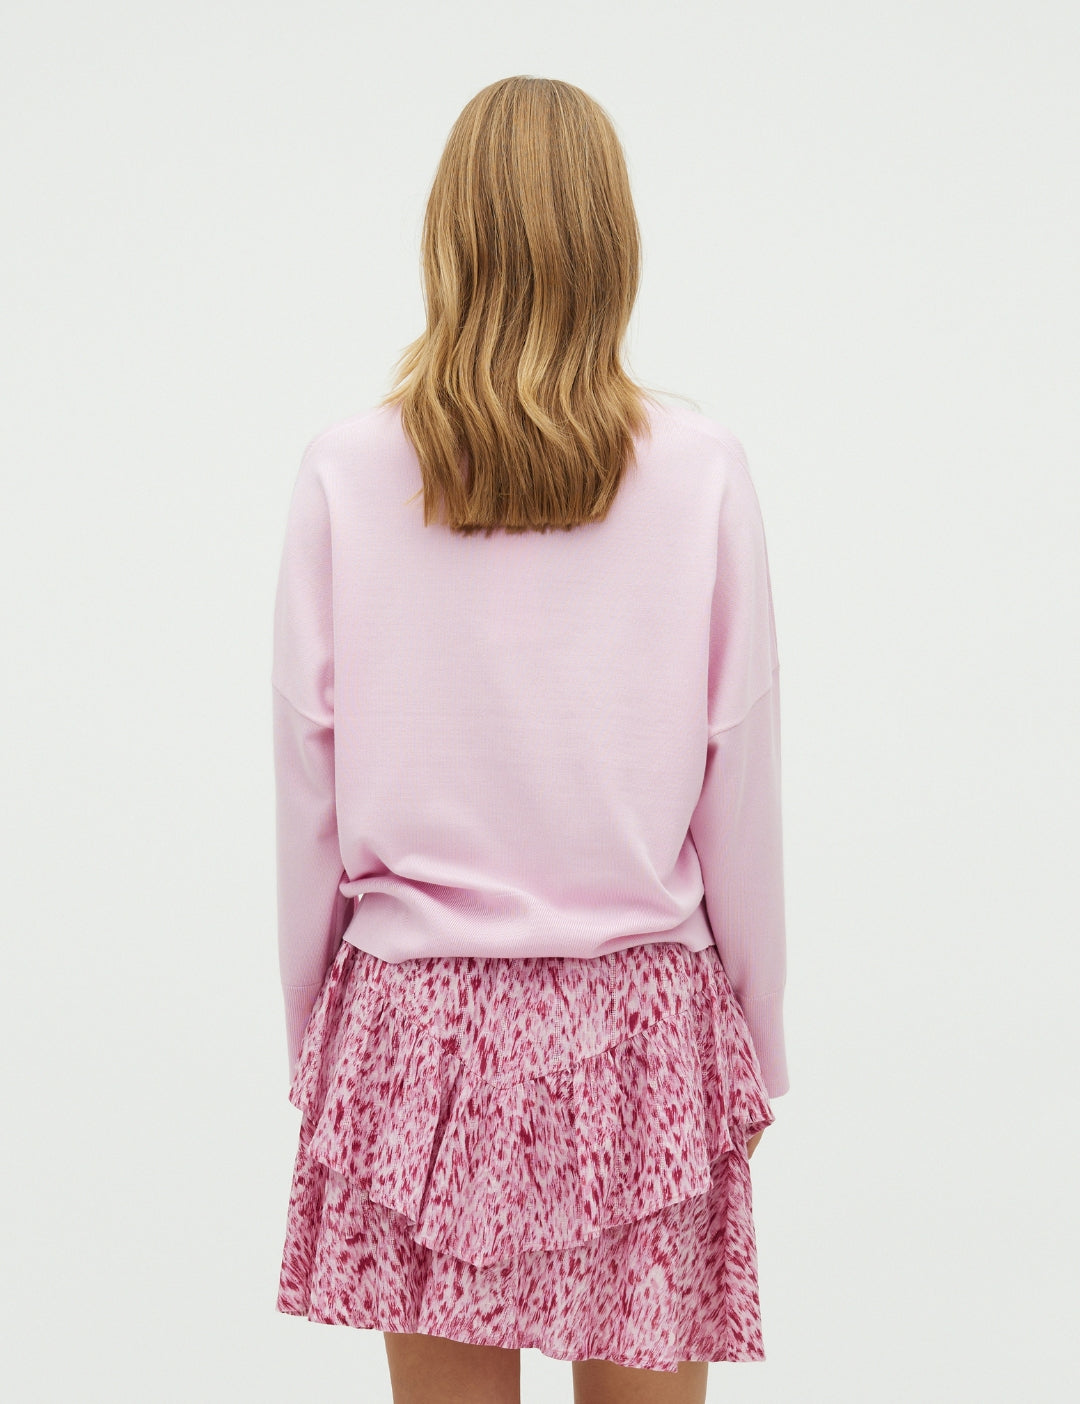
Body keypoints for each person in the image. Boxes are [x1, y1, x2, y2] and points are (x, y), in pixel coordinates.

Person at [271, 74, 789, 1404]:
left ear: (448, 239)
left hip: (412, 1020)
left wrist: (312, 1035)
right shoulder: (700, 467)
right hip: (642, 1021)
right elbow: (738, 776)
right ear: (614, 245)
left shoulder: (347, 467)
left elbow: (308, 777)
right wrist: (759, 1040)